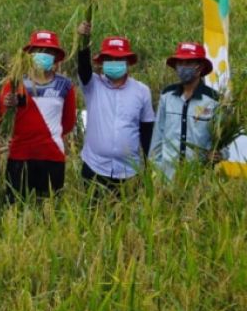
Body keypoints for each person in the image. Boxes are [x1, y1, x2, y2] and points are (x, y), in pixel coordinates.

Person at [76, 23, 155, 189]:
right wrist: (83, 41)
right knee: (92, 214)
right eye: (109, 59)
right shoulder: (93, 85)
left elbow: (147, 133)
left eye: (118, 59)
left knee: (126, 215)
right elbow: (83, 68)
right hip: (94, 168)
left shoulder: (141, 91)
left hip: (128, 173)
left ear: (127, 62)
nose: (114, 62)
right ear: (102, 62)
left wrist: (150, 170)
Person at [0, 30, 77, 198]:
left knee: (49, 208)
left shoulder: (65, 86)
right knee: (15, 205)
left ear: (56, 57)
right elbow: (2, 116)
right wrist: (9, 105)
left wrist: (45, 136)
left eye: (48, 52)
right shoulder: (15, 83)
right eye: (39, 51)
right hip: (19, 155)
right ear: (29, 55)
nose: (43, 55)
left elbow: (69, 121)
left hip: (52, 155)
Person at [148, 41, 220, 180]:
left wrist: (220, 154)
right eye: (180, 63)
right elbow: (158, 135)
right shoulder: (167, 96)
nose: (183, 67)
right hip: (167, 176)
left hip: (199, 178)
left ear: (200, 67)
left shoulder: (213, 100)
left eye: (189, 63)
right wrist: (155, 171)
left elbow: (222, 139)